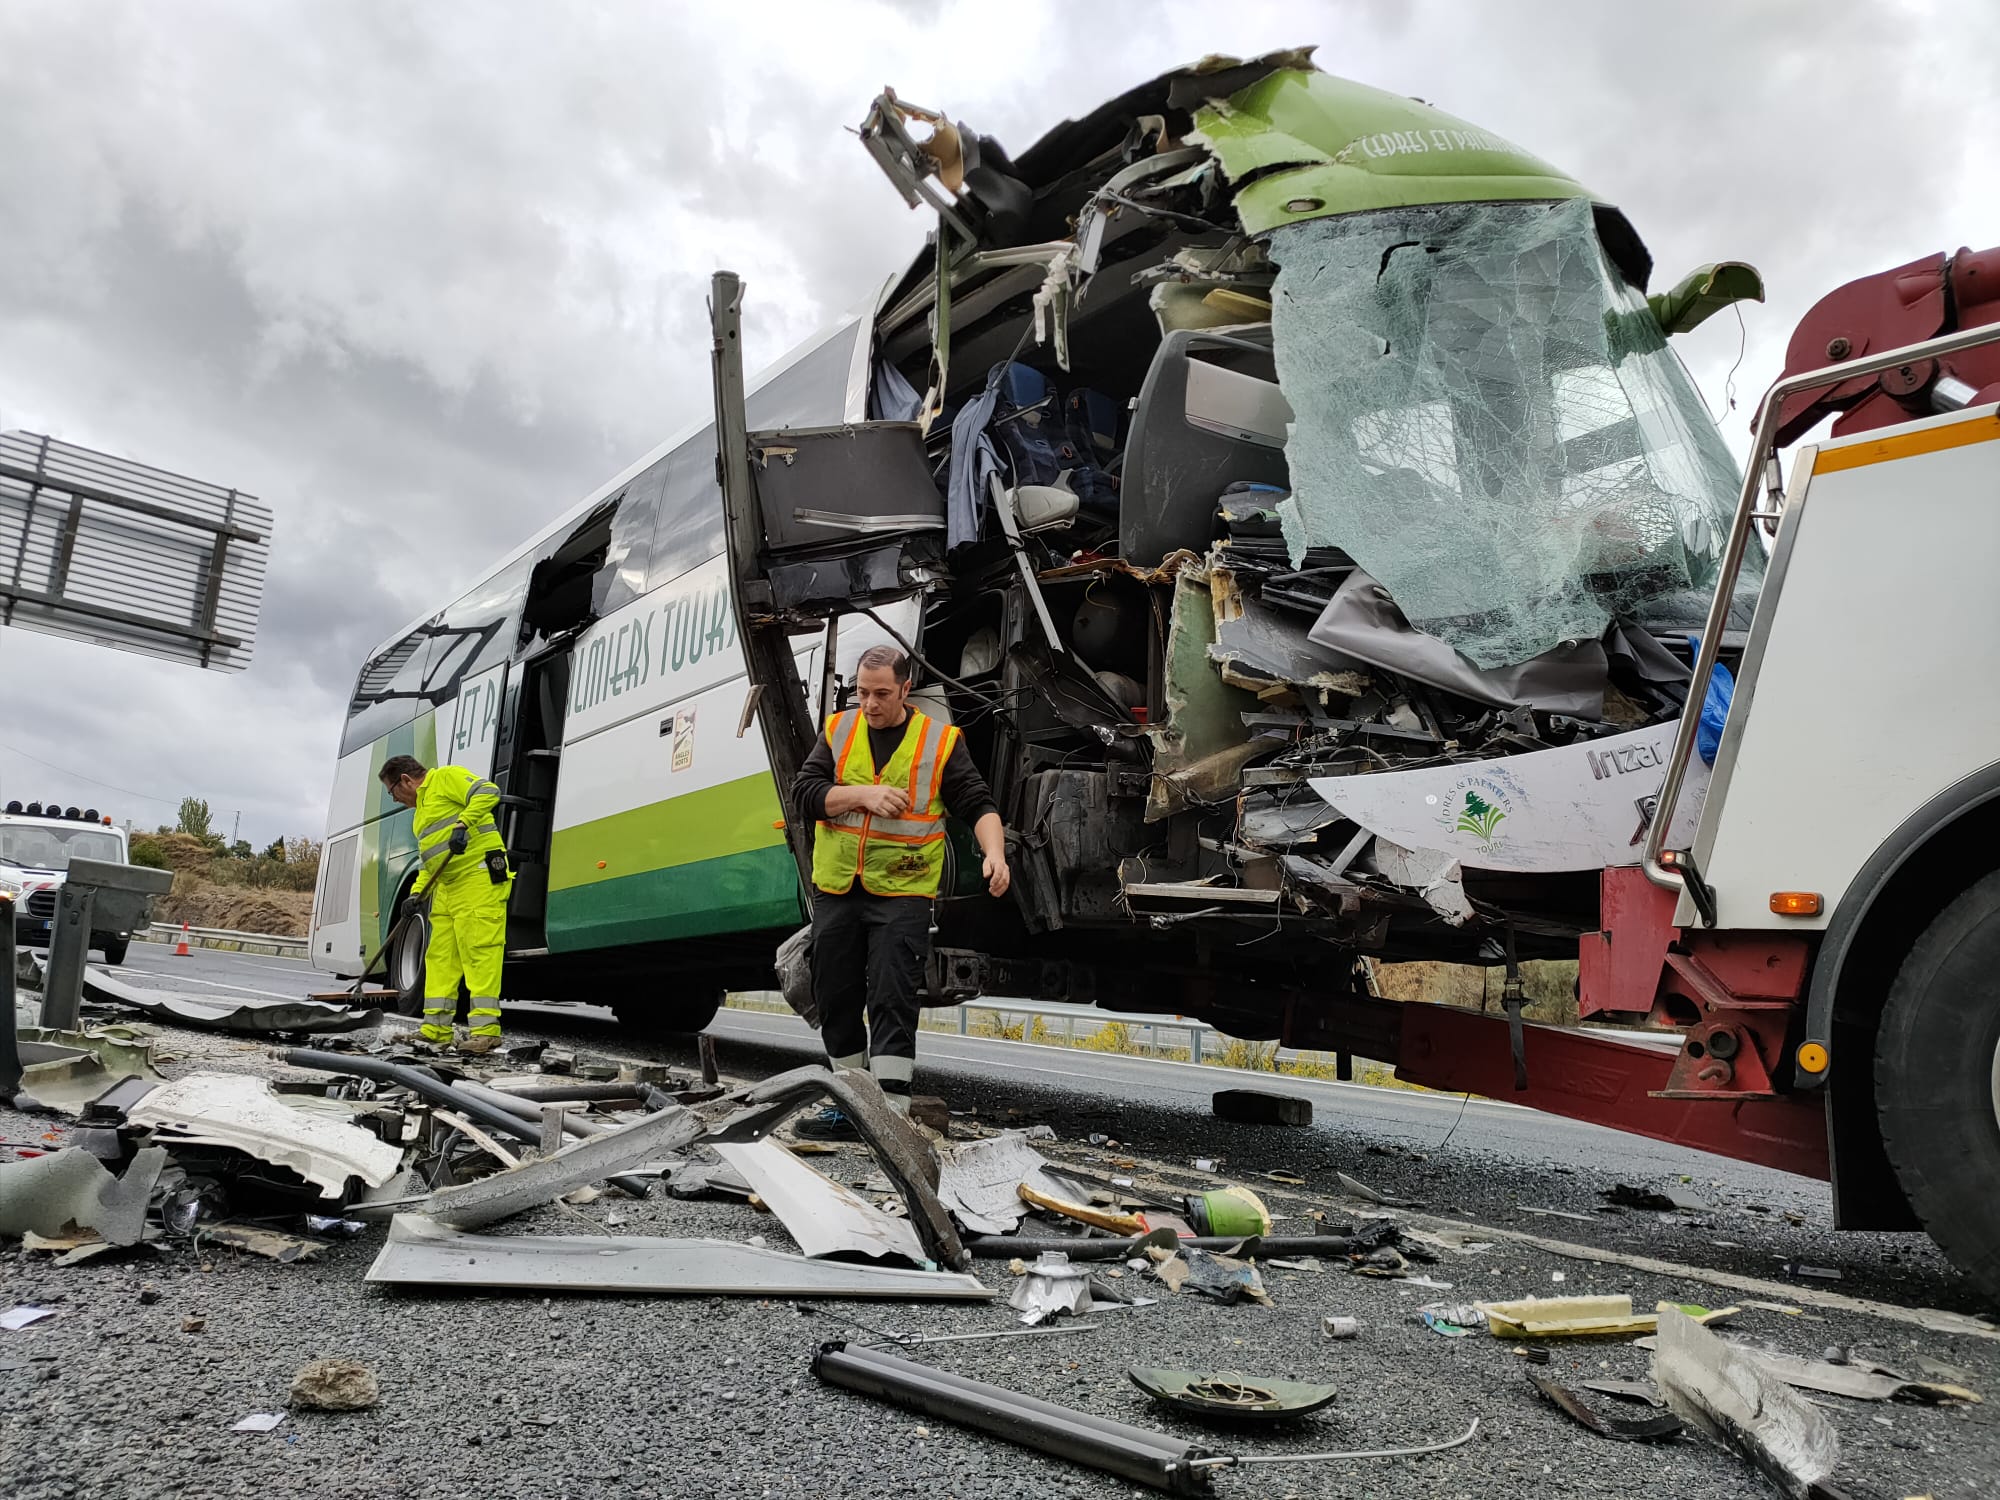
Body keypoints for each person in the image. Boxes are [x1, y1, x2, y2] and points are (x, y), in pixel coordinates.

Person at [791, 645, 1009, 1133]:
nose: (869, 704)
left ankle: (889, 1113)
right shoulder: (838, 730)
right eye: (862, 693)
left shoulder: (940, 742)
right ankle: (850, 1104)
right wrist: (863, 795)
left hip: (903, 890)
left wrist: (995, 854)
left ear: (906, 689)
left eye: (881, 694)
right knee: (835, 994)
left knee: (892, 994)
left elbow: (978, 803)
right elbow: (804, 794)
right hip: (838, 887)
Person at [378, 754, 511, 1055]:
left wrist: (463, 824)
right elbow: (430, 862)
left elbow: (488, 791)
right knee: (439, 957)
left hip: (478, 876)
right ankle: (436, 1029)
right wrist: (416, 893)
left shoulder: (445, 778)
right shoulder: (420, 814)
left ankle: (486, 1032)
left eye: (392, 793)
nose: (396, 800)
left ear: (406, 780)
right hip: (447, 886)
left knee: (479, 951)